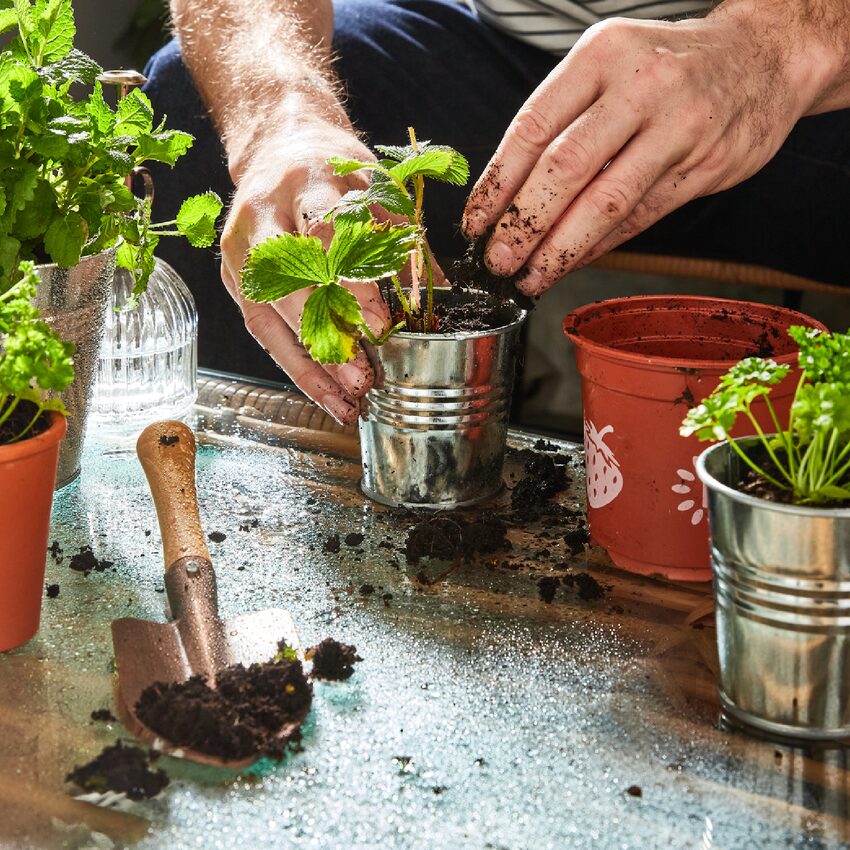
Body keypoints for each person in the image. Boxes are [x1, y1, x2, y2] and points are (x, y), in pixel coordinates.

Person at [143, 0, 850, 424]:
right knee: (195, 109)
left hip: (804, 72)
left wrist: (775, 48)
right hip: (500, 51)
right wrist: (281, 117)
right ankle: (300, 527)